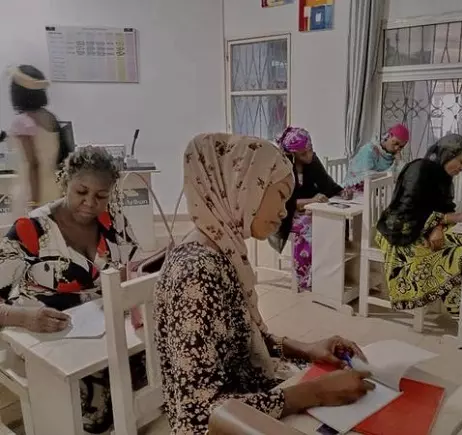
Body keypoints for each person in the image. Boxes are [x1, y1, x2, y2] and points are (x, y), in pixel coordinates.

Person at [154, 133, 374, 434]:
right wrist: (316, 392)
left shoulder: (221, 250)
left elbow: (241, 342)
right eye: (280, 195)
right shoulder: (196, 273)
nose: (284, 211)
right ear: (242, 188)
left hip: (249, 399)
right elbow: (198, 412)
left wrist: (307, 349)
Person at [0, 146, 143, 434]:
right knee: (100, 408)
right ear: (65, 183)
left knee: (155, 361)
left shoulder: (112, 222)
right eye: (81, 192)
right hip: (43, 336)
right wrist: (26, 318)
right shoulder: (31, 230)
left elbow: (133, 267)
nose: (90, 203)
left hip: (102, 334)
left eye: (101, 196)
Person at [375, 134, 462, 315]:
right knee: (456, 253)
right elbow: (407, 212)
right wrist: (449, 220)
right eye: (460, 161)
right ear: (447, 154)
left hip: (421, 228)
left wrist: (438, 227)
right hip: (399, 233)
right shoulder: (419, 170)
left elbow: (442, 208)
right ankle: (461, 312)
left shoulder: (442, 177)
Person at [269, 126, 349, 292]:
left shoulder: (312, 161)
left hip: (305, 209)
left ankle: (327, 273)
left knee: (329, 223)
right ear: (292, 155)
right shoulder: (281, 169)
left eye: (310, 150)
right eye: (303, 153)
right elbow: (284, 202)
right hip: (284, 213)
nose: (309, 155)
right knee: (310, 227)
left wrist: (342, 191)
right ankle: (305, 278)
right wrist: (310, 201)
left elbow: (326, 183)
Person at [8, 65, 72, 217]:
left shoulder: (22, 122)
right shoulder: (50, 118)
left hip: (31, 192)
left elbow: (33, 164)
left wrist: (33, 204)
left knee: (25, 237)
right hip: (54, 191)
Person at [342, 124, 409, 195]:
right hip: (353, 192)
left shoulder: (393, 157)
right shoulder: (370, 150)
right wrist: (389, 174)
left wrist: (399, 161)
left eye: (401, 147)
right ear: (388, 136)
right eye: (395, 143)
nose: (397, 148)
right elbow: (365, 176)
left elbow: (401, 177)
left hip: (376, 194)